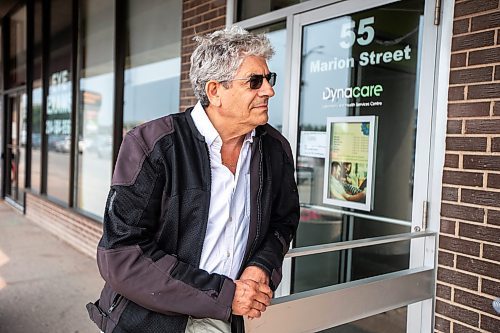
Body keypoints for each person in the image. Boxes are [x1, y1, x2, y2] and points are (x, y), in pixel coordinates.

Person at [86, 26, 300, 333]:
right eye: (255, 81)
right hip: (148, 321)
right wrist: (223, 296)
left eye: (269, 79)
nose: (269, 90)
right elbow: (121, 255)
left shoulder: (275, 149)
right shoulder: (152, 145)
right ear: (215, 91)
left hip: (228, 320)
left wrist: (261, 266)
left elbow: (284, 221)